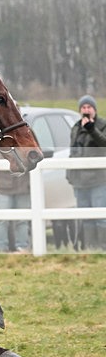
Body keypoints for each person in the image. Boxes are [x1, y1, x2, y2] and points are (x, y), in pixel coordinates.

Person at [66, 95, 106, 249]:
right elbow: (73, 150)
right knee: (85, 217)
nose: (86, 110)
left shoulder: (102, 124)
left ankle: (102, 247)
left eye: (89, 107)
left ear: (94, 109)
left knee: (100, 216)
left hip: (98, 179)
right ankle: (90, 247)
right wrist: (69, 173)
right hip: (80, 180)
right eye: (83, 107)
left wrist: (92, 129)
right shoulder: (76, 127)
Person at [0, 145, 30, 252]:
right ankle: (1, 248)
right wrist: (1, 158)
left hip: (23, 184)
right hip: (3, 185)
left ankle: (22, 248)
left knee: (22, 219)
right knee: (2, 219)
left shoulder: (26, 135)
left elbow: (36, 153)